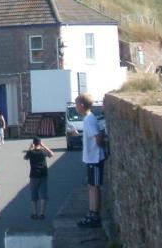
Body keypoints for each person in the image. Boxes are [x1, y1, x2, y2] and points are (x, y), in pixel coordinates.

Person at [74, 93, 106, 229]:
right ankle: (92, 212)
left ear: (81, 105)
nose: (76, 108)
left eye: (76, 105)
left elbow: (97, 138)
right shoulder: (89, 119)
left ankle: (95, 215)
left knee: (95, 187)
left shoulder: (88, 120)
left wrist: (99, 145)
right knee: (91, 186)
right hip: (91, 159)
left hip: (95, 158)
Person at [23, 137, 54, 219]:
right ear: (40, 143)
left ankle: (34, 213)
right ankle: (42, 214)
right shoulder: (43, 151)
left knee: (34, 195)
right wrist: (44, 146)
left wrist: (30, 148)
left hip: (33, 175)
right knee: (43, 195)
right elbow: (52, 154)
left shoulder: (31, 152)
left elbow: (25, 157)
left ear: (33, 143)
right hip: (43, 174)